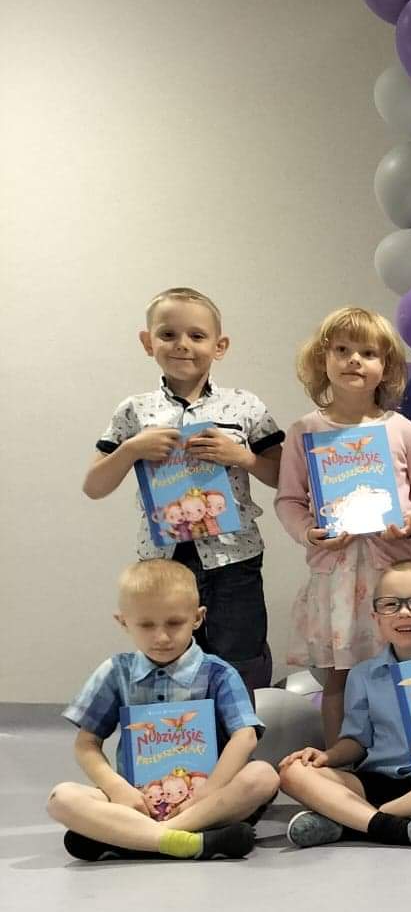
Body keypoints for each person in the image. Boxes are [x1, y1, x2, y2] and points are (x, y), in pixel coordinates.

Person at [85, 287, 285, 691]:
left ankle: (239, 731)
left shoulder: (246, 406)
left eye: (197, 335)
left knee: (240, 658)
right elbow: (94, 485)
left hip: (235, 558)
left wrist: (242, 457)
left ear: (219, 346)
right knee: (169, 659)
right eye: (168, 334)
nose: (182, 345)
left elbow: (284, 475)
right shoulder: (134, 411)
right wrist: (131, 449)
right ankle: (182, 733)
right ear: (148, 342)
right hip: (164, 562)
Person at [274, 307, 411, 745]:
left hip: (395, 576)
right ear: (322, 359)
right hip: (336, 580)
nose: (354, 360)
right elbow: (288, 500)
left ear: (386, 366)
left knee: (407, 669)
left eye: (368, 353)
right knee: (341, 679)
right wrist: (307, 531)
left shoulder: (404, 431)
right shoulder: (305, 431)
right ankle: (337, 762)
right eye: (342, 350)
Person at [47, 558, 278, 861]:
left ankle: (130, 837)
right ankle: (187, 841)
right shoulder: (116, 672)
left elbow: (245, 737)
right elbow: (86, 744)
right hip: (138, 800)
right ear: (123, 622)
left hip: (204, 802)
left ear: (197, 618)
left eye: (174, 623)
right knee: (62, 798)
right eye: (146, 625)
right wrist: (117, 789)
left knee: (263, 776)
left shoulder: (218, 673)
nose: (161, 637)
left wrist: (209, 790)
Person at [277, 560, 411, 851]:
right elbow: (356, 741)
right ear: (376, 617)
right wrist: (327, 756)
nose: (404, 612)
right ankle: (401, 828)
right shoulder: (363, 674)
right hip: (375, 781)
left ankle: (354, 822)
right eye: (390, 605)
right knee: (292, 772)